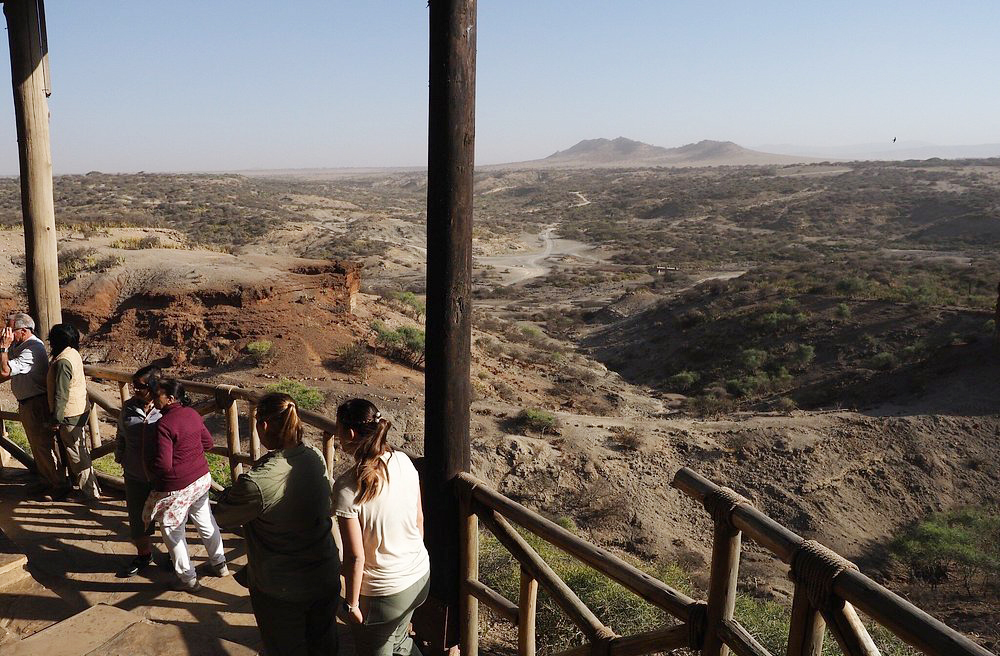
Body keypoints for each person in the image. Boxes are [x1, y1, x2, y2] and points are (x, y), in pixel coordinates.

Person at [214, 392, 340, 655]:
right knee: (324, 643)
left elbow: (224, 516)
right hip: (324, 572)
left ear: (263, 425)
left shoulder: (257, 482)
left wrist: (229, 493)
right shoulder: (315, 456)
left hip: (282, 587)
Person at [333, 399, 429, 656]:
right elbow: (419, 520)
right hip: (419, 576)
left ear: (350, 433)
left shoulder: (347, 488)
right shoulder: (404, 461)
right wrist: (408, 564)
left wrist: (352, 605)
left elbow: (355, 557)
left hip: (383, 595)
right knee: (400, 642)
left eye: (338, 429)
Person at [143, 378, 227, 592]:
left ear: (170, 398)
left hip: (177, 486)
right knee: (205, 520)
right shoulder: (192, 414)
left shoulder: (164, 424)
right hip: (201, 479)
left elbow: (164, 464)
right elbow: (208, 443)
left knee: (172, 530)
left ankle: (188, 579)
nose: (154, 399)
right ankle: (220, 564)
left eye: (158, 395)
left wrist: (150, 469)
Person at [0, 312, 64, 498]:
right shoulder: (19, 345)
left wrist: (3, 347)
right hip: (27, 403)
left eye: (10, 330)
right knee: (36, 446)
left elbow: (4, 371)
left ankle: (59, 484)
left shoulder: (33, 349)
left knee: (44, 446)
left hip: (36, 403)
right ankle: (46, 480)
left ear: (24, 330)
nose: (6, 333)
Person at [113, 364, 162, 578]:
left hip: (161, 475)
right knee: (137, 518)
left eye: (140, 386)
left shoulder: (165, 408)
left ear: (154, 386)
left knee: (168, 519)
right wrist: (120, 455)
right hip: (134, 473)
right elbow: (121, 433)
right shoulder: (129, 406)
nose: (136, 390)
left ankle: (175, 555)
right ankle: (144, 555)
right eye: (134, 385)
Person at [45, 323, 102, 501]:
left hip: (70, 413)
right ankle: (90, 488)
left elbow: (61, 394)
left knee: (76, 454)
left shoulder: (63, 361)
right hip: (78, 409)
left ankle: (89, 492)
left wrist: (56, 419)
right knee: (78, 451)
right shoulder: (73, 353)